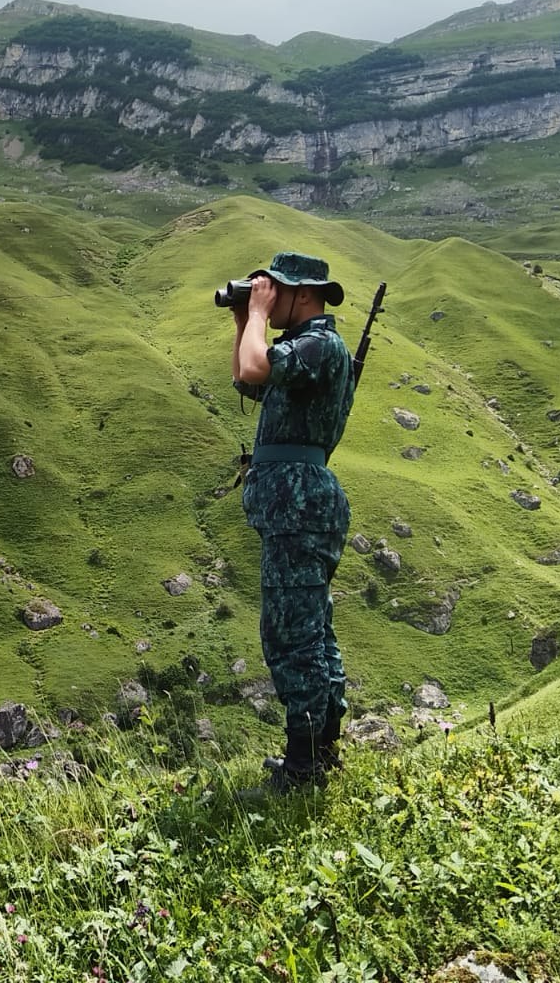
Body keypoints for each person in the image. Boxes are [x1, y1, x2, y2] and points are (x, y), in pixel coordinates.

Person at [230, 251, 355, 792]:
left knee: (290, 633)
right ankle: (321, 750)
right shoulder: (301, 351)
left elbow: (258, 365)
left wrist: (258, 316)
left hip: (298, 505)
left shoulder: (319, 344)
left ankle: (304, 769)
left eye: (274, 288)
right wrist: (244, 317)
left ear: (303, 293)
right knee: (312, 626)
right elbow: (247, 376)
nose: (268, 295)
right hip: (297, 506)